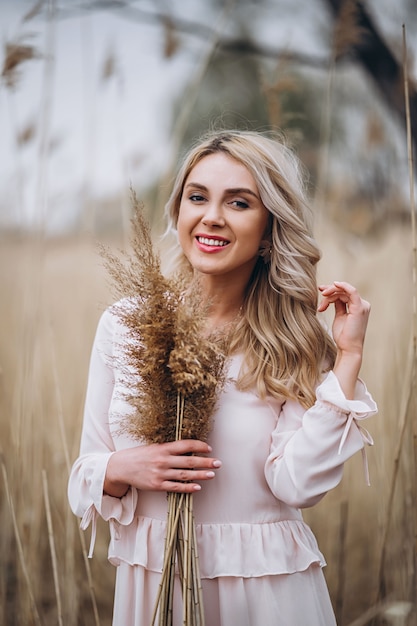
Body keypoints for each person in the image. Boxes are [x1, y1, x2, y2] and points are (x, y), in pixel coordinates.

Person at [68, 129, 377, 625]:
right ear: (179, 211)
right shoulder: (126, 326)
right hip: (154, 589)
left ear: (271, 227)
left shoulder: (292, 341)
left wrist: (349, 354)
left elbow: (298, 484)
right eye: (198, 197)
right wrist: (124, 468)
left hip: (266, 595)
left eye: (238, 202)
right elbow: (84, 472)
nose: (212, 216)